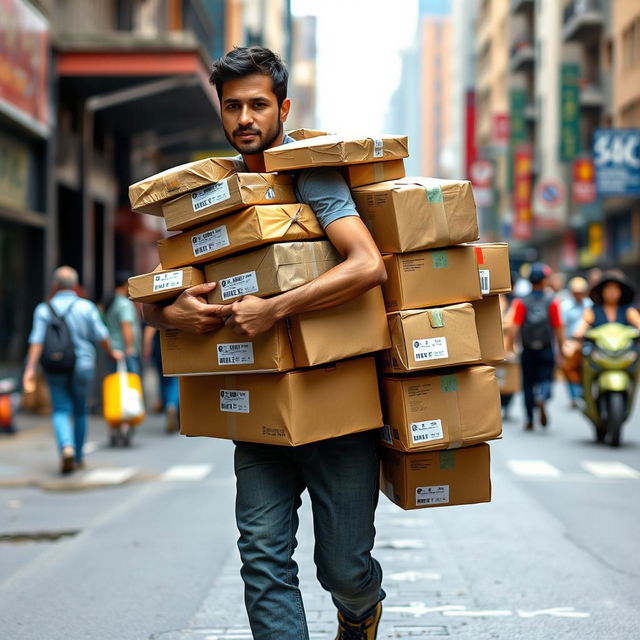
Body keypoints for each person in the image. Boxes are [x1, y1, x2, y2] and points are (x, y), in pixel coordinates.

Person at [142, 47, 387, 640]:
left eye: (257, 104)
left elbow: (367, 266)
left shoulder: (311, 176)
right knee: (261, 556)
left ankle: (361, 612)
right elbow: (169, 290)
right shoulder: (215, 190)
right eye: (233, 107)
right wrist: (174, 317)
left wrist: (275, 308)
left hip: (338, 408)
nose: (244, 118)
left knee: (344, 570)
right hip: (258, 409)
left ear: (283, 107)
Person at [23, 266, 122, 473]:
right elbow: (101, 335)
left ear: (55, 285)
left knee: (60, 409)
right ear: (76, 286)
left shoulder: (43, 309)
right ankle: (78, 456)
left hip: (55, 364)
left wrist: (30, 368)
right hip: (84, 365)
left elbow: (36, 341)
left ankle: (66, 446)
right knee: (80, 411)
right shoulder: (86, 307)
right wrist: (112, 352)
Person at [506, 263, 565, 431]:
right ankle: (542, 396)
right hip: (546, 349)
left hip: (528, 350)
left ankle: (530, 419)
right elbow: (558, 327)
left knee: (528, 384)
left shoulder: (521, 302)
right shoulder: (552, 301)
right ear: (544, 280)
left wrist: (510, 348)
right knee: (546, 379)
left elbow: (514, 327)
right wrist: (561, 349)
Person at [570, 270, 640, 338]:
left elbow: (637, 322)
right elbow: (582, 326)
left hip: (625, 349)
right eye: (608, 288)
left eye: (616, 288)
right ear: (602, 291)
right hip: (598, 349)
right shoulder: (593, 311)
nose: (612, 292)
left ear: (621, 292)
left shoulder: (628, 310)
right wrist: (578, 334)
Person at [560, 277, 592, 407]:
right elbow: (561, 326)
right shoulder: (565, 306)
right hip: (571, 342)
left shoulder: (590, 304)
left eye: (580, 292)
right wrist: (563, 344)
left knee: (586, 368)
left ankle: (584, 393)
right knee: (569, 369)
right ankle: (574, 396)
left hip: (588, 342)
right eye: (576, 292)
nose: (578, 294)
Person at [142, 325, 179, 433]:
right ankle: (171, 405)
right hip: (175, 344)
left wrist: (146, 345)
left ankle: (167, 403)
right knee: (174, 378)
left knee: (163, 378)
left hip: (160, 345)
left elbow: (151, 326)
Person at [104, 271, 142, 375]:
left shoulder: (111, 301)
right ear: (126, 285)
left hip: (114, 349)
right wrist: (129, 348)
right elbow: (126, 325)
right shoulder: (124, 304)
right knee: (131, 383)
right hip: (125, 351)